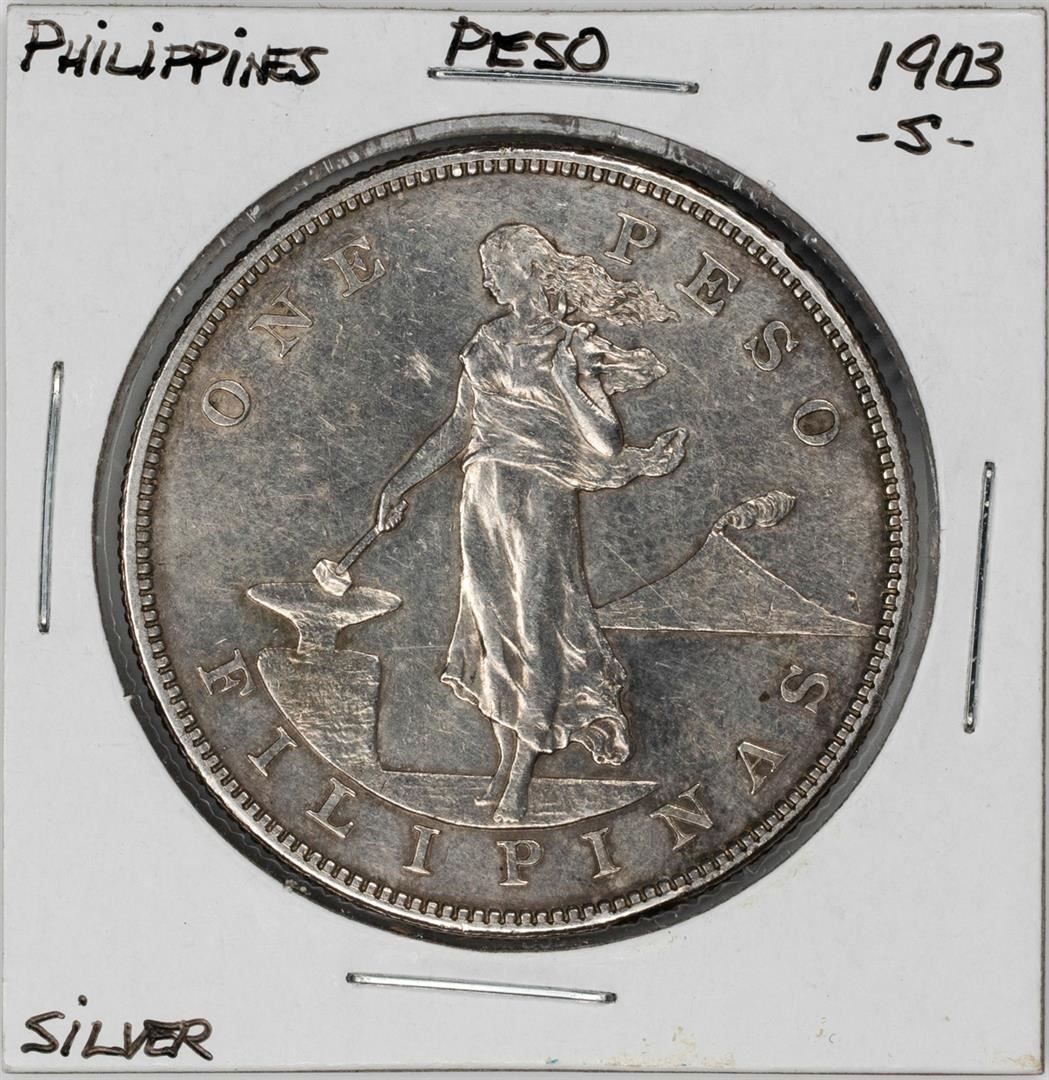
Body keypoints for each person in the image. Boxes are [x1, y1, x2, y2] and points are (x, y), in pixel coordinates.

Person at [376, 224, 687, 822]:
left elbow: (604, 441)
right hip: (483, 494)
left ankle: (521, 775)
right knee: (492, 630)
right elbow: (459, 428)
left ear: (527, 272)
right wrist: (400, 484)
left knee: (537, 630)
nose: (488, 281)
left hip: (540, 496)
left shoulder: (572, 345)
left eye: (495, 268)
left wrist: (571, 380)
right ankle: (505, 765)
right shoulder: (487, 341)